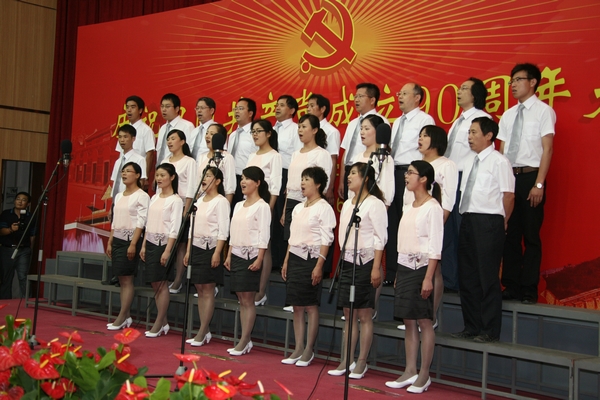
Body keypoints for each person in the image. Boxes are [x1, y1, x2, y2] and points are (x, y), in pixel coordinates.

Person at [451, 117, 515, 343]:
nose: (469, 137)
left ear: (488, 136)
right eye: (468, 132)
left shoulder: (499, 162)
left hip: (489, 221)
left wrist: (502, 221)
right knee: (467, 276)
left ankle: (489, 330)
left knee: (487, 277)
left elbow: (508, 196)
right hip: (467, 219)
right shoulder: (470, 161)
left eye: (474, 132)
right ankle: (471, 326)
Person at [498, 63, 556, 305]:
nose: (513, 85)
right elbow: (502, 152)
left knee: (531, 235)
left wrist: (539, 184)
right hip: (509, 177)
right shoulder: (508, 115)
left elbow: (547, 149)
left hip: (531, 177)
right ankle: (510, 285)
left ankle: (529, 288)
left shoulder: (544, 111)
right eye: (511, 81)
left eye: (518, 80)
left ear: (532, 82)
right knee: (510, 233)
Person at [385, 160, 443, 394]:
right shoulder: (409, 206)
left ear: (424, 179)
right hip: (405, 267)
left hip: (422, 268)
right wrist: (399, 272)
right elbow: (403, 242)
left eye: (410, 173)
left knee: (424, 321)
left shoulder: (433, 207)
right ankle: (410, 370)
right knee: (408, 320)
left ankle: (424, 374)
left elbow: (435, 247)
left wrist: (428, 278)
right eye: (406, 172)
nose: (406, 176)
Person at [328, 162, 387, 379]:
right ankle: (347, 359)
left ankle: (362, 361)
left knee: (364, 314)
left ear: (366, 178)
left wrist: (375, 267)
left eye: (353, 173)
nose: (348, 177)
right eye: (349, 173)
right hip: (348, 262)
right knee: (348, 313)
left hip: (366, 262)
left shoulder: (375, 204)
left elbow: (380, 238)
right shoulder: (347, 204)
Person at [401, 125, 458, 329]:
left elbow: (448, 199)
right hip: (412, 224)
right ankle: (413, 314)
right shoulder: (416, 166)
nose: (420, 139)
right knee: (413, 270)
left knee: (434, 269)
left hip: (434, 222)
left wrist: (437, 225)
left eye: (425, 135)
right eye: (420, 135)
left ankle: (430, 316)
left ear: (436, 140)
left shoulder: (447, 165)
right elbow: (407, 199)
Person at [281, 167, 335, 367]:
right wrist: (286, 260)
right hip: (295, 258)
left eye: (307, 179)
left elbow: (326, 240)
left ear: (318, 184)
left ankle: (309, 350)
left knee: (310, 305)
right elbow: (292, 237)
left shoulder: (324, 208)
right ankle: (298, 347)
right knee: (297, 305)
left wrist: (319, 265)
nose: (302, 183)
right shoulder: (298, 208)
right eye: (302, 179)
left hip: (312, 259)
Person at [443, 78, 491, 292]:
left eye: (464, 88)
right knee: (449, 231)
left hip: (468, 179)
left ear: (475, 94)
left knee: (464, 231)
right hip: (451, 178)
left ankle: (466, 281)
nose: (459, 91)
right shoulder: (459, 121)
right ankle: (450, 280)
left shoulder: (481, 119)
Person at [385, 83, 435, 285]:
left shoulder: (425, 120)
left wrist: (417, 176)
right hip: (393, 171)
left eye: (404, 93)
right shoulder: (397, 121)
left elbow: (426, 151)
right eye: (399, 93)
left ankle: (408, 273)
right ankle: (391, 272)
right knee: (392, 223)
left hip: (412, 173)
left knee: (409, 223)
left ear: (417, 97)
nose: (399, 96)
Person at [224, 166, 271, 356]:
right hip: (236, 254)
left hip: (250, 256)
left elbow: (264, 235)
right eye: (242, 178)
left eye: (247, 179)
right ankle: (245, 339)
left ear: (257, 183)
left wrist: (259, 258)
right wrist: (228, 254)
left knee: (248, 299)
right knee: (241, 298)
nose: (243, 182)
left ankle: (244, 340)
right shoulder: (238, 205)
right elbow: (233, 232)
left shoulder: (262, 206)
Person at [280, 115, 332, 281]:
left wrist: (310, 204)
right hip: (292, 202)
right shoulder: (295, 153)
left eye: (304, 127)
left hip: (310, 205)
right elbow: (290, 185)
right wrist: (285, 209)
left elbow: (323, 183)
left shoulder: (321, 154)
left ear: (315, 130)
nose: (300, 130)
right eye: (299, 127)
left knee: (308, 243)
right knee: (291, 242)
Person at [183, 167, 230, 346]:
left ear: (217, 181)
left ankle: (202, 331)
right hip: (195, 247)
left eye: (209, 175)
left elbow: (223, 230)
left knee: (208, 289)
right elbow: (191, 228)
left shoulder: (221, 202)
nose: (204, 178)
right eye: (203, 175)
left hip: (210, 248)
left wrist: (217, 252)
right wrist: (188, 250)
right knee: (199, 289)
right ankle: (204, 330)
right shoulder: (199, 200)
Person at [140, 163, 183, 337]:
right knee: (154, 283)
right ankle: (163, 321)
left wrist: (168, 250)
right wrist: (144, 245)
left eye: (162, 175)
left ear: (172, 177)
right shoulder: (154, 198)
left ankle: (158, 322)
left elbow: (174, 227)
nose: (159, 178)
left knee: (161, 283)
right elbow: (148, 223)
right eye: (157, 175)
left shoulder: (176, 200)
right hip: (150, 242)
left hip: (164, 244)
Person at [106, 162, 150, 330]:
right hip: (117, 239)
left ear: (137, 175)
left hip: (130, 240)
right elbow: (115, 220)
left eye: (128, 171)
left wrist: (133, 244)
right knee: (121, 279)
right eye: (123, 171)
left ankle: (122, 316)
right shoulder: (118, 195)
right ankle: (126, 315)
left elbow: (141, 222)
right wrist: (110, 240)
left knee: (126, 279)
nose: (124, 174)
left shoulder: (142, 196)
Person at [246, 119, 282, 306]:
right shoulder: (252, 155)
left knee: (264, 245)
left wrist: (269, 208)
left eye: (259, 131)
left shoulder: (274, 156)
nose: (255, 134)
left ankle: (261, 291)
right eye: (253, 131)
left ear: (268, 134)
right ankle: (250, 287)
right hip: (249, 203)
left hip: (265, 203)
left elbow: (275, 186)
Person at [159, 129, 197, 293]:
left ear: (182, 142)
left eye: (173, 138)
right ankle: (163, 277)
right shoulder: (165, 160)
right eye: (168, 139)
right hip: (165, 205)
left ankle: (178, 280)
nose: (169, 142)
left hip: (181, 206)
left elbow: (191, 187)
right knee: (166, 241)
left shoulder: (189, 161)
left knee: (180, 245)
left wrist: (186, 210)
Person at [337, 83, 390, 201]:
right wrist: (342, 180)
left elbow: (382, 150)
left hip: (366, 172)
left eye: (360, 96)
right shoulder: (352, 123)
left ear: (372, 100)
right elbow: (346, 152)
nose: (356, 100)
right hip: (350, 172)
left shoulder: (381, 122)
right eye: (355, 96)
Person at [272, 94, 302, 273]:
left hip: (286, 174)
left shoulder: (295, 130)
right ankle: (272, 259)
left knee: (281, 218)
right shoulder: (271, 129)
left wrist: (291, 181)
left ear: (291, 110)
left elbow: (297, 157)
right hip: (270, 175)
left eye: (282, 105)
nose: (277, 108)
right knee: (270, 217)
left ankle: (282, 259)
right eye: (277, 105)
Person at [114, 96, 156, 189]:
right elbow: (120, 154)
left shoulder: (146, 130)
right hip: (123, 176)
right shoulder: (123, 130)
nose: (129, 110)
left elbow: (150, 155)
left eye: (132, 107)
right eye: (127, 107)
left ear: (140, 110)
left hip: (137, 177)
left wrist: (145, 177)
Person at [0, 192, 36, 299]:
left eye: (23, 200)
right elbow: (1, 231)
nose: (20, 202)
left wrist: (30, 249)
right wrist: (11, 229)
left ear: (28, 204)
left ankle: (27, 302)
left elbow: (33, 235)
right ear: (14, 201)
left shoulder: (31, 216)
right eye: (18, 199)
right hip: (7, 249)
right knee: (6, 278)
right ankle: (5, 301)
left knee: (23, 277)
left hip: (24, 250)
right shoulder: (6, 214)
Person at [307, 94, 340, 204]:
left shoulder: (331, 131)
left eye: (312, 106)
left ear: (322, 109)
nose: (308, 109)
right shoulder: (306, 130)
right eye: (307, 106)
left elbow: (333, 160)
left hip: (320, 184)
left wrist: (329, 188)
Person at [226, 98, 258, 208]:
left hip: (245, 179)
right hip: (230, 179)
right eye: (235, 109)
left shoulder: (254, 134)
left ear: (250, 113)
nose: (237, 111)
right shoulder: (232, 135)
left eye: (241, 108)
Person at [196, 124, 236, 203]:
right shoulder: (201, 157)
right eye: (207, 133)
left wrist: (226, 206)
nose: (207, 136)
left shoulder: (227, 157)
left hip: (218, 201)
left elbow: (230, 187)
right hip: (202, 200)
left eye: (212, 134)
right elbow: (197, 184)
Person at [155, 93, 195, 167]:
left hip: (178, 168)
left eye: (167, 106)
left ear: (177, 109)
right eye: (162, 106)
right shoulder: (162, 128)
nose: (164, 109)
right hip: (161, 168)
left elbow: (189, 149)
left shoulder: (187, 126)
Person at [110, 125, 147, 198]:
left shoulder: (140, 160)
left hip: (130, 199)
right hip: (116, 199)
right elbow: (114, 183)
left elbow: (141, 183)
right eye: (120, 137)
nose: (122, 140)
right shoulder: (118, 161)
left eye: (125, 137)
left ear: (133, 138)